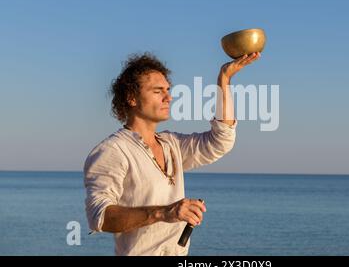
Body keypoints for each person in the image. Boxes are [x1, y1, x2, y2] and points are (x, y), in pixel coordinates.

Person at [83, 51, 261, 255]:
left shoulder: (171, 144)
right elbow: (101, 217)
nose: (169, 97)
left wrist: (224, 79)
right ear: (132, 98)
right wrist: (164, 212)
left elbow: (221, 140)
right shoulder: (112, 151)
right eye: (158, 91)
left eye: (168, 90)